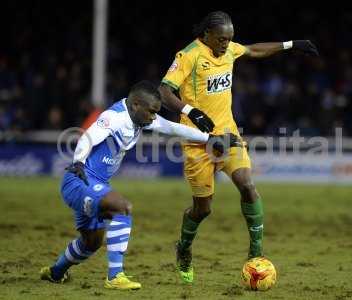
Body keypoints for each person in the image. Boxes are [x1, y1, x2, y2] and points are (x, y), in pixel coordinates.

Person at [158, 11, 319, 283]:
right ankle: (183, 249)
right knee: (203, 209)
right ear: (207, 34)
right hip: (197, 142)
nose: (226, 44)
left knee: (247, 184)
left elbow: (254, 50)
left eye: (229, 39)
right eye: (221, 39)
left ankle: (256, 253)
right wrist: (190, 110)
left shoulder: (230, 49)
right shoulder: (188, 56)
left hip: (227, 136)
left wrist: (291, 44)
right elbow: (163, 91)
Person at [40, 81, 240, 290]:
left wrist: (210, 138)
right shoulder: (114, 117)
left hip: (94, 184)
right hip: (79, 180)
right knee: (122, 208)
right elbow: (88, 138)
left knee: (92, 242)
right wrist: (79, 161)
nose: (154, 117)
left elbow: (172, 128)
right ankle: (115, 276)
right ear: (136, 105)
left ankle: (55, 272)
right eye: (152, 112)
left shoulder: (141, 118)